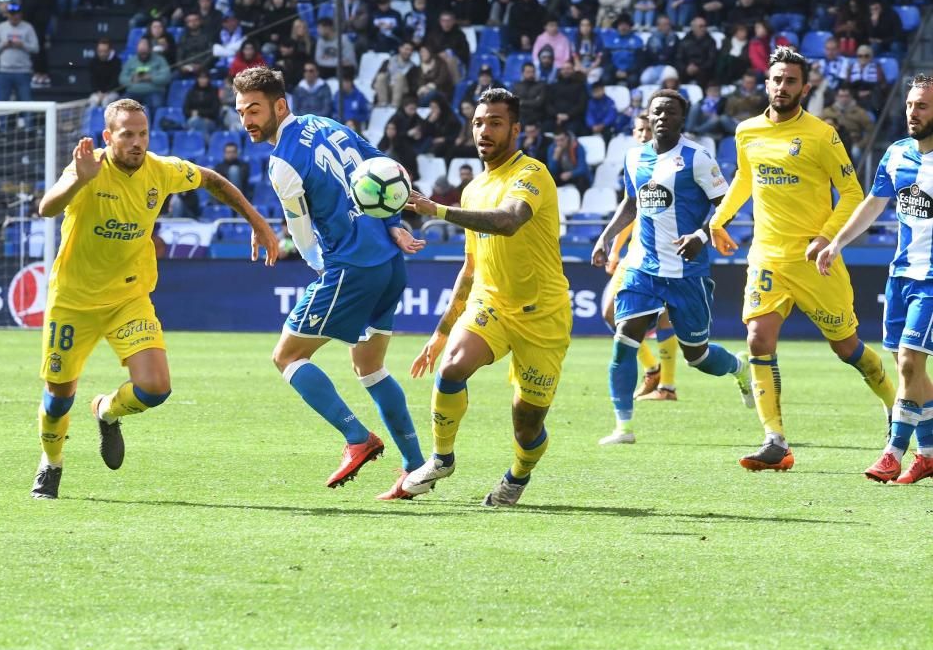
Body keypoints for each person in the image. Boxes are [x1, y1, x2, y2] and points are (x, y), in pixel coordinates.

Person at [30, 98, 279, 499]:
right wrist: (79, 179)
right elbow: (47, 207)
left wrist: (259, 223)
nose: (136, 142)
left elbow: (213, 180)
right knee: (58, 401)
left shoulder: (161, 170)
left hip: (129, 297)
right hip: (73, 301)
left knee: (155, 388)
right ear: (109, 136)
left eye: (142, 134)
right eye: (127, 134)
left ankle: (106, 411)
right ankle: (51, 463)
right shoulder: (88, 166)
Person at [232, 67, 428, 499]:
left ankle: (357, 437)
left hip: (351, 266)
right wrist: (394, 223)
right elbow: (384, 168)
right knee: (370, 367)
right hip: (390, 261)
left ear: (279, 106)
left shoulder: (282, 160)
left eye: (255, 109)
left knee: (286, 357)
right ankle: (416, 470)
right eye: (242, 110)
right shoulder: (329, 124)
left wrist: (323, 268)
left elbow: (301, 236)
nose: (247, 119)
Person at [709, 47, 896, 471]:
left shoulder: (821, 134)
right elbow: (743, 177)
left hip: (815, 261)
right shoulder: (747, 132)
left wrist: (826, 237)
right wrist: (718, 220)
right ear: (767, 82)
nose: (781, 87)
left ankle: (895, 405)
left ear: (804, 87)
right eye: (776, 79)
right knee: (758, 338)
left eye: (790, 81)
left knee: (846, 347)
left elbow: (852, 193)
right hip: (768, 256)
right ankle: (775, 441)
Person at [401, 87, 572, 507]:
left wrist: (435, 210)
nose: (484, 130)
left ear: (515, 128)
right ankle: (441, 458)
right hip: (490, 303)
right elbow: (472, 266)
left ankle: (518, 475)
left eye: (495, 122)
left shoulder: (531, 174)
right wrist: (441, 331)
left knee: (526, 425)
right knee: (452, 366)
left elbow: (509, 221)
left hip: (542, 314)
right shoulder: (473, 188)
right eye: (478, 122)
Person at [590, 90, 752, 445]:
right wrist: (606, 235)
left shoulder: (697, 157)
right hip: (642, 267)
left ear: (683, 118)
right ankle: (623, 427)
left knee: (699, 356)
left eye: (670, 112)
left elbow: (725, 206)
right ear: (647, 118)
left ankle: (740, 369)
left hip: (686, 272)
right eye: (655, 112)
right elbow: (631, 203)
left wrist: (701, 235)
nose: (661, 117)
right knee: (623, 339)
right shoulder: (634, 158)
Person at [817, 74, 933, 484]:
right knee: (913, 370)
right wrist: (836, 243)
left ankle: (893, 451)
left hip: (932, 280)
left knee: (908, 362)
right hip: (901, 274)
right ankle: (930, 453)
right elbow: (872, 204)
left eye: (921, 106)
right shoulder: (898, 154)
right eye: (909, 105)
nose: (912, 113)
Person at [598, 113, 680, 403]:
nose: (644, 134)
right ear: (634, 133)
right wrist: (615, 248)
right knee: (610, 311)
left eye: (649, 129)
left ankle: (667, 387)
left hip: (669, 253)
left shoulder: (672, 161)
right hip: (637, 254)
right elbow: (631, 210)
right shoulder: (635, 162)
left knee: (668, 320)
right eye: (640, 130)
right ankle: (652, 369)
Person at [0, 3, 38, 106]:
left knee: (26, 103)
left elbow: (35, 48)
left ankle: (28, 122)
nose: (14, 16)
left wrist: (23, 45)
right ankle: (4, 123)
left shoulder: (28, 27)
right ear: (7, 14)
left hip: (23, 72)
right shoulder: (1, 27)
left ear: (20, 14)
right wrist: (4, 45)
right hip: (4, 72)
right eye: (11, 14)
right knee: (3, 104)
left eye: (16, 14)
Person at [119, 36, 170, 114]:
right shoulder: (131, 61)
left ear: (150, 49)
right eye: (141, 52)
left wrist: (151, 78)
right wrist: (132, 79)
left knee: (157, 104)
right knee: (121, 105)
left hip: (154, 92)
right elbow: (122, 78)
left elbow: (166, 77)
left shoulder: (160, 60)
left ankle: (153, 125)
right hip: (133, 92)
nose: (143, 54)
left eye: (145, 52)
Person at [88, 37, 121, 109]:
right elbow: (93, 80)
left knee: (106, 101)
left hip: (112, 92)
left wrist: (105, 93)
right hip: (98, 93)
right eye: (100, 51)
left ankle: (105, 120)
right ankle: (92, 120)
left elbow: (115, 81)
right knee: (93, 100)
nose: (102, 54)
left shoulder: (117, 62)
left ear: (110, 50)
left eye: (104, 51)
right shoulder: (93, 62)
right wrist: (98, 92)